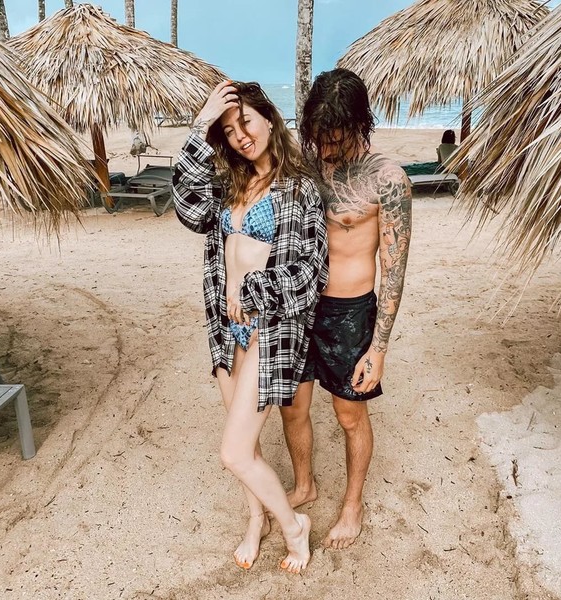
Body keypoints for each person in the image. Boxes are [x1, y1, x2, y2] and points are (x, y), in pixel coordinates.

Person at [172, 80, 329, 573]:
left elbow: (312, 271)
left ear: (269, 119)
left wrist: (255, 289)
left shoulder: (299, 188)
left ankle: (294, 527)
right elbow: (187, 207)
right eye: (228, 130)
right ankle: (254, 520)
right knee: (249, 443)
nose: (240, 136)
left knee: (234, 452)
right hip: (227, 332)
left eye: (246, 122)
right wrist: (202, 123)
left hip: (270, 330)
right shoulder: (230, 185)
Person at [279, 68, 412, 549]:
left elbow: (393, 269)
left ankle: (352, 504)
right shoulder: (302, 165)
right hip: (298, 306)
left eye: (335, 138)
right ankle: (305, 484)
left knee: (349, 415)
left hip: (350, 311)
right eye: (319, 137)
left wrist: (379, 349)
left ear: (360, 124)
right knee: (292, 408)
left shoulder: (388, 179)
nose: (326, 148)